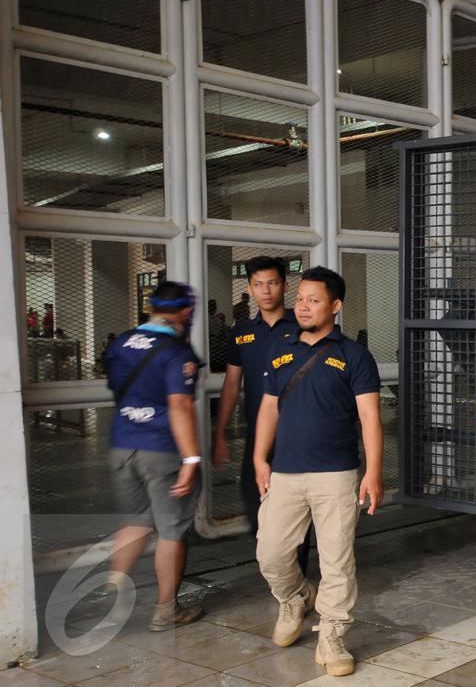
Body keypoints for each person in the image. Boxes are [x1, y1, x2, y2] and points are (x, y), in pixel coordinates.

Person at [253, 266, 383, 677]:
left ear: (335, 305)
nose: (304, 306)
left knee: (337, 560)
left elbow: (370, 417)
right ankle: (293, 597)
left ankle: (333, 633)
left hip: (336, 474)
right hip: (286, 472)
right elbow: (269, 407)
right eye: (301, 299)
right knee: (270, 552)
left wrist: (373, 471)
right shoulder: (282, 349)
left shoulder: (354, 356)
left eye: (314, 299)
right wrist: (259, 457)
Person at [102, 281, 205, 631]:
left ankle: (112, 592)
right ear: (184, 311)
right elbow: (178, 405)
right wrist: (191, 458)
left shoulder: (121, 343)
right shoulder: (176, 352)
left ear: (150, 307)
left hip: (122, 444)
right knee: (170, 531)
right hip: (162, 450)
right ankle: (165, 611)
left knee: (133, 523)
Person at [212, 257, 312, 572]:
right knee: (257, 504)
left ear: (284, 285)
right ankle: (280, 575)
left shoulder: (303, 324)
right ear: (249, 289)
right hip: (259, 435)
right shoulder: (241, 332)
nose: (265, 291)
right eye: (258, 284)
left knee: (299, 507)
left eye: (272, 283)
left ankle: (296, 579)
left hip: (300, 432)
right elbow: (231, 384)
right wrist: (220, 433)